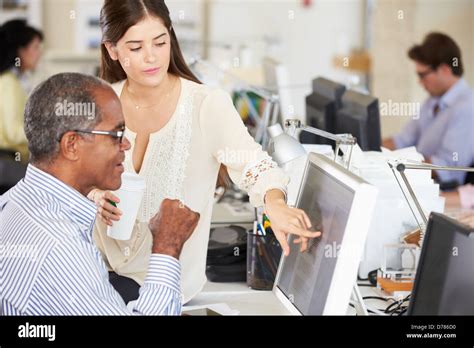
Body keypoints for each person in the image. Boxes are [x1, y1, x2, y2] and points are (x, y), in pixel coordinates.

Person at [88, 0, 320, 304]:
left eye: (160, 42)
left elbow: (254, 165)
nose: (151, 56)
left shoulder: (205, 103)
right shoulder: (100, 102)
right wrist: (93, 194)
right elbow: (74, 177)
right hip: (96, 268)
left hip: (166, 283)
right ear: (112, 49)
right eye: (135, 47)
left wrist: (274, 203)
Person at [0, 72, 200, 315]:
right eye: (116, 134)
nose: (126, 144)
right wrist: (167, 247)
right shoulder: (61, 247)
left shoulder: (16, 201)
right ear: (72, 145)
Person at [382, 32, 474, 185]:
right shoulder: (433, 100)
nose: (419, 82)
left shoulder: (467, 107)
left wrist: (393, 166)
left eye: (422, 75)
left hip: (440, 190)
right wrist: (366, 150)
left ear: (445, 69)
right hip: (414, 177)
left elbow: (446, 167)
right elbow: (402, 140)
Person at [0, 19, 43, 162]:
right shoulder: (9, 83)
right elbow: (13, 132)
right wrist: (47, 133)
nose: (40, 53)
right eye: (36, 47)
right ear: (21, 50)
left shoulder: (16, 81)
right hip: (9, 162)